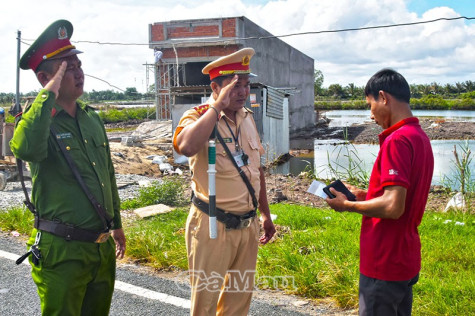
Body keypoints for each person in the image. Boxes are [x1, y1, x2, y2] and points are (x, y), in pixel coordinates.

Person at [10, 19, 125, 315]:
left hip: (100, 248)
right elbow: (23, 148)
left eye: (78, 65)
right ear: (45, 78)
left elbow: (108, 175)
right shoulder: (38, 122)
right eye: (67, 68)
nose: (78, 73)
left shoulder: (91, 118)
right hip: (62, 250)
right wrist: (47, 94)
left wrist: (117, 224)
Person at [173, 47, 276, 315]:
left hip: (247, 225)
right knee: (205, 304)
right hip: (212, 226)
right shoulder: (197, 116)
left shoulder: (247, 117)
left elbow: (256, 170)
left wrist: (265, 215)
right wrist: (216, 107)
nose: (242, 92)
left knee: (238, 304)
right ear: (215, 87)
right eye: (234, 85)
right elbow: (184, 147)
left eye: (246, 84)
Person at [325, 68, 434, 316]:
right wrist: (364, 195)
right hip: (405, 258)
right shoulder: (420, 137)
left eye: (369, 104)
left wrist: (347, 205)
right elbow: (401, 195)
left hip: (384, 260)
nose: (371, 114)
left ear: (383, 97)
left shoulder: (397, 139)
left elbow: (393, 207)